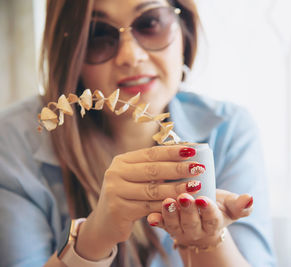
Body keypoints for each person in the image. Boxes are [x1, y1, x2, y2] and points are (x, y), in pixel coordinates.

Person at [0, 0, 275, 266]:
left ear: (184, 28)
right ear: (69, 48)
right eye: (99, 35)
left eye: (151, 23)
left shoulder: (227, 129)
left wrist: (207, 238)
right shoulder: (13, 141)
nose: (131, 56)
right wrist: (94, 237)